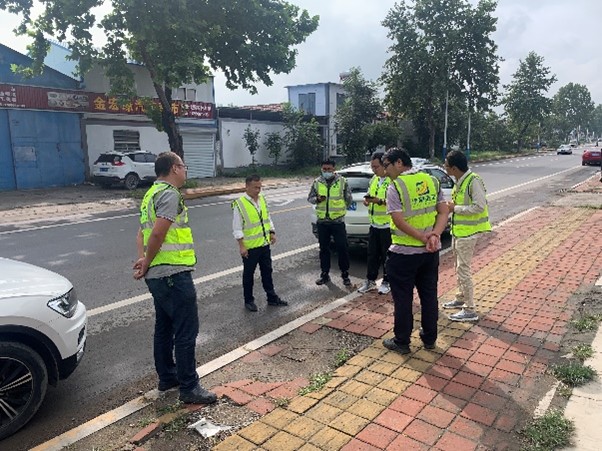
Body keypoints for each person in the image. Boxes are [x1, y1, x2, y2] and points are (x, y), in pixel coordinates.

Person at [133, 151, 216, 405]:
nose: (185, 170)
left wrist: (143, 260)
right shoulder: (169, 194)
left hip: (158, 275)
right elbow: (157, 233)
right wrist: (146, 261)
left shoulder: (150, 194)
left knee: (164, 327)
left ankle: (168, 377)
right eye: (183, 166)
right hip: (172, 273)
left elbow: (141, 234)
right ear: (174, 168)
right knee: (185, 330)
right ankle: (189, 387)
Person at [381, 148, 448, 354]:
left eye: (387, 166)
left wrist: (422, 237)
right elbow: (443, 211)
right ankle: (430, 339)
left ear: (399, 163)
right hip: (430, 252)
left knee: (403, 299)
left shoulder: (396, 186)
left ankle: (402, 342)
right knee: (429, 296)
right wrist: (435, 235)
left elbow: (398, 221)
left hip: (404, 254)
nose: (385, 171)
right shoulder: (431, 180)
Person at [442, 150, 491, 322]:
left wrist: (454, 208)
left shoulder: (473, 181)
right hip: (459, 232)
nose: (445, 168)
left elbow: (479, 206)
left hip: (468, 233)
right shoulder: (460, 181)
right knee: (458, 267)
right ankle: (460, 297)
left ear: (454, 168)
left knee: (463, 270)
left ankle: (470, 308)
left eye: (446, 166)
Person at [232, 174, 288, 312]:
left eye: (259, 187)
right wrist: (242, 246)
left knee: (267, 272)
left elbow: (267, 217)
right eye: (255, 187)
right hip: (250, 248)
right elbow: (237, 227)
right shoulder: (239, 204)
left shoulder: (262, 199)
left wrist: (272, 232)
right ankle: (249, 300)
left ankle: (272, 297)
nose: (258, 190)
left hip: (264, 244)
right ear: (247, 187)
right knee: (249, 275)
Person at [307, 159, 353, 286]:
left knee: (342, 248)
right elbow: (310, 198)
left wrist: (340, 210)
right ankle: (324, 274)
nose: (326, 171)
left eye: (329, 169)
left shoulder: (342, 182)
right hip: (322, 222)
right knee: (324, 250)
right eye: (324, 169)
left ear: (334, 169)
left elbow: (348, 199)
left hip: (337, 221)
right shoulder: (317, 182)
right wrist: (317, 199)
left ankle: (345, 274)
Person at [357, 152, 392, 295]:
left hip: (387, 225)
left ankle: (387, 281)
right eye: (372, 167)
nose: (374, 170)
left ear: (384, 166)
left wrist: (379, 201)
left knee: (387, 255)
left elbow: (397, 203)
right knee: (372, 254)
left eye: (376, 167)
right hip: (374, 224)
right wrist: (367, 201)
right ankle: (370, 280)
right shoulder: (374, 179)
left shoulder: (392, 181)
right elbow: (369, 194)